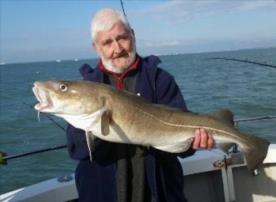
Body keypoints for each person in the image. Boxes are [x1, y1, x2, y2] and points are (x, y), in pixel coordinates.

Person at [66, 8, 214, 202]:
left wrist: (194, 142)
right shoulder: (86, 89)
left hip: (158, 193)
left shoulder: (160, 80)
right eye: (108, 42)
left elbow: (184, 147)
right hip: (102, 194)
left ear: (133, 36)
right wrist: (93, 124)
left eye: (122, 38)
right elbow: (77, 150)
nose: (117, 49)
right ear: (96, 47)